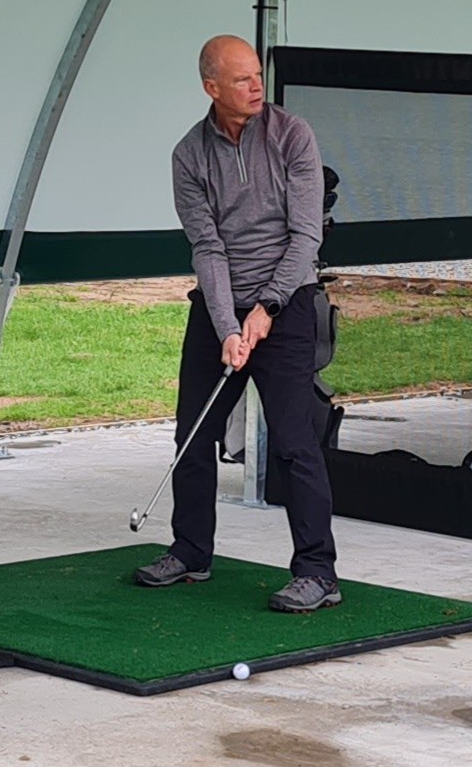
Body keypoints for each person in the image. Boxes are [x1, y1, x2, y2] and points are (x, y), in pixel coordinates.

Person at [133, 34, 340, 612]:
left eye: (257, 76)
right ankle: (192, 551)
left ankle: (318, 572)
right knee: (193, 434)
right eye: (243, 79)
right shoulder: (189, 155)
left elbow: (306, 236)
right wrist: (227, 325)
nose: (257, 87)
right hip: (219, 308)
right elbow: (208, 247)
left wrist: (266, 308)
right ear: (211, 88)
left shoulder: (292, 135)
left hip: (288, 304)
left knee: (296, 443)